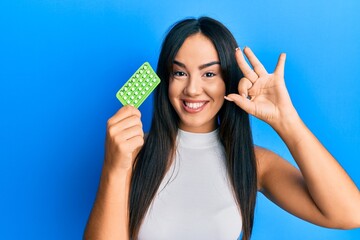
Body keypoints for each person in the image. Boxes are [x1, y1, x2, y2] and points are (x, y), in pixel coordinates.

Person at [83, 17, 360, 240]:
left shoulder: (254, 163)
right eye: (179, 73)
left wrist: (286, 121)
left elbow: (349, 214)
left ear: (228, 80)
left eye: (209, 74)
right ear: (165, 80)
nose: (192, 89)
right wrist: (115, 167)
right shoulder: (132, 153)